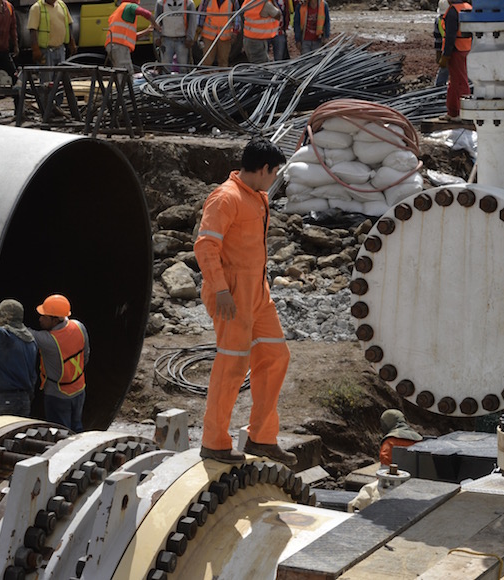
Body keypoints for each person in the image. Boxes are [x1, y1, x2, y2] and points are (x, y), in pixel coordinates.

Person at [194, 138, 294, 466]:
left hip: (257, 294)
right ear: (263, 169)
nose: (275, 177)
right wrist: (220, 289)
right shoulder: (226, 197)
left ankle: (261, 437)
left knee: (276, 356)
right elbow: (206, 245)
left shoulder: (258, 197)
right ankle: (214, 441)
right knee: (233, 365)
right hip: (232, 296)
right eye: (274, 171)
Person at [31, 294, 89, 432]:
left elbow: (21, 332)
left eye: (44, 316)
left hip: (57, 395)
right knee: (77, 426)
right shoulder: (79, 327)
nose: (40, 319)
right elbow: (85, 355)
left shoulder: (48, 341)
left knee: (60, 433)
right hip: (79, 389)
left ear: (55, 319)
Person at [437, 0, 471, 122]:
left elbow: (450, 36)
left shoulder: (453, 11)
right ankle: (452, 112)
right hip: (466, 48)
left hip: (456, 49)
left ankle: (462, 113)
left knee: (460, 82)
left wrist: (445, 55)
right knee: (454, 82)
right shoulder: (468, 7)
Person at [104, 0, 156, 72]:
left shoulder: (121, 10)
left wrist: (147, 31)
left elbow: (132, 37)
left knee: (119, 71)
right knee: (126, 71)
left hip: (113, 46)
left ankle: (121, 83)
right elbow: (147, 14)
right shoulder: (129, 5)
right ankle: (126, 83)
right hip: (119, 46)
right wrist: (156, 25)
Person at [28, 0, 76, 70]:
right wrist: (35, 49)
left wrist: (72, 42)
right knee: (47, 78)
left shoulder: (61, 5)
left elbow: (69, 24)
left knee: (61, 76)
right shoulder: (36, 8)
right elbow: (33, 30)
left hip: (60, 49)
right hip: (46, 52)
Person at [154, 0, 195, 72]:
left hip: (182, 39)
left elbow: (192, 21)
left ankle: (184, 82)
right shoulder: (161, 3)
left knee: (184, 68)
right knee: (165, 67)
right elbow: (157, 21)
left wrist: (190, 37)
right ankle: (165, 82)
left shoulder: (188, 3)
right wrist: (157, 37)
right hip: (166, 39)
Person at [196, 0, 237, 67]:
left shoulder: (233, 1)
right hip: (209, 35)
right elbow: (201, 14)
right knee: (207, 61)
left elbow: (236, 15)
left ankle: (222, 76)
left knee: (223, 61)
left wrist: (235, 32)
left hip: (225, 36)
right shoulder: (207, 1)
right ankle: (205, 75)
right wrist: (198, 28)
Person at [239, 0, 279, 64]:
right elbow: (278, 15)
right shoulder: (265, 4)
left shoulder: (247, 2)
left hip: (248, 39)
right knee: (260, 66)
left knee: (256, 63)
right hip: (257, 41)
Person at [431, 0, 449, 89]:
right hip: (447, 48)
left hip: (454, 48)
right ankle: (438, 88)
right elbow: (437, 38)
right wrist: (439, 55)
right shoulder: (438, 21)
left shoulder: (453, 17)